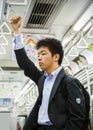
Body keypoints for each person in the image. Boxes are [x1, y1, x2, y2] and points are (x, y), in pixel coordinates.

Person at [10, 16, 89, 130]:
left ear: (56, 57)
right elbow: (25, 64)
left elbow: (77, 118)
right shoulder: (42, 79)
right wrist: (17, 33)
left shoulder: (69, 82)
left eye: (43, 54)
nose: (39, 58)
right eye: (38, 55)